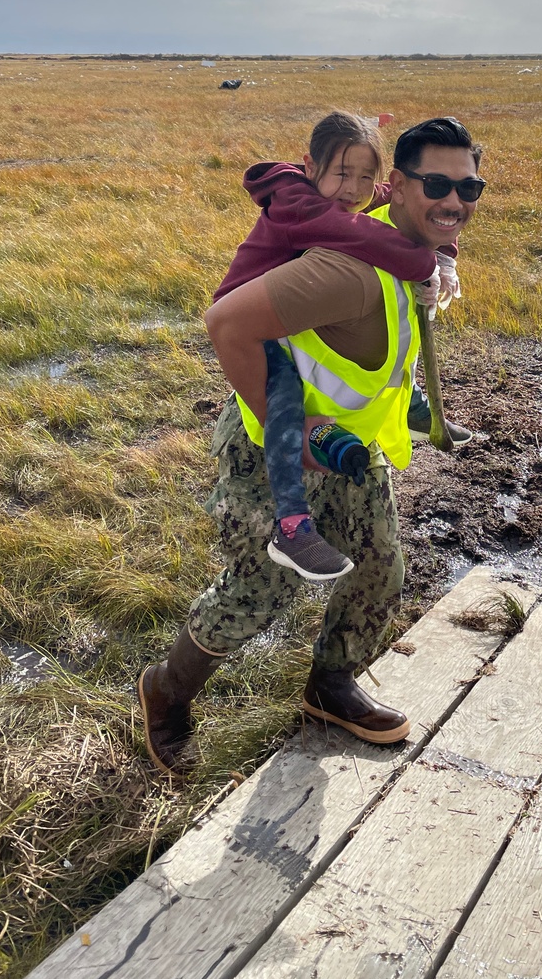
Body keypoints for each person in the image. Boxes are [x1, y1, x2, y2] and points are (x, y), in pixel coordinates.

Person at [138, 116, 485, 773]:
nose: (455, 201)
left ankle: (329, 686)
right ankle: (166, 691)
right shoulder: (345, 270)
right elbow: (225, 323)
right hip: (279, 444)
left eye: (470, 187)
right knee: (259, 591)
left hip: (350, 445)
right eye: (437, 184)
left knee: (381, 569)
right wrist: (285, 434)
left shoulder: (405, 241)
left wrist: (444, 263)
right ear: (402, 188)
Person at [210, 111, 467, 586]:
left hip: (292, 321)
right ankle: (290, 526)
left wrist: (442, 250)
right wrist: (424, 262)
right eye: (342, 175)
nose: (354, 190)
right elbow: (357, 231)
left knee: (388, 323)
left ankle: (411, 406)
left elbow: (400, 204)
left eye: (365, 177)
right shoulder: (299, 205)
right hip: (259, 332)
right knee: (284, 408)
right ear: (310, 167)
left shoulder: (345, 195)